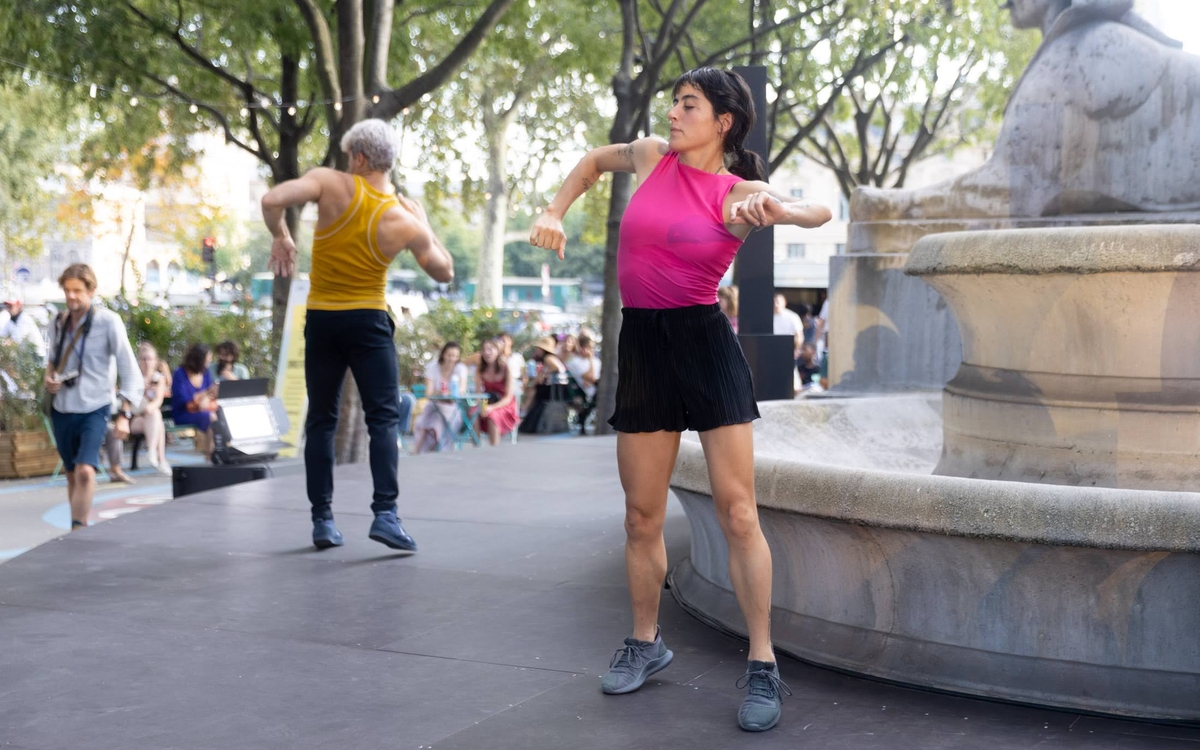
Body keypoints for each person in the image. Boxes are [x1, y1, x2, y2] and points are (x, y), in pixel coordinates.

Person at [529, 67, 831, 731]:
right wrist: (554, 210)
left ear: (722, 121)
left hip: (703, 343)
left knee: (739, 510)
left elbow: (820, 211)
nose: (672, 114)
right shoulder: (649, 157)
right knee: (640, 514)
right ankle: (646, 641)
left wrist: (779, 209)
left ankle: (762, 663)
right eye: (673, 103)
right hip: (644, 344)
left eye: (687, 105)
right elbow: (588, 163)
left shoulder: (737, 192)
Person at [261, 118, 454, 552]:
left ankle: (322, 521)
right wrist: (425, 224)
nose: (347, 164)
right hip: (369, 322)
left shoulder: (329, 184)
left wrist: (281, 235)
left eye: (350, 157)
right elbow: (445, 271)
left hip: (324, 321)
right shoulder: (401, 219)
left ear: (360, 158)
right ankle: (385, 515)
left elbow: (273, 199)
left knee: (321, 421)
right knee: (383, 420)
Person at [43, 264, 144, 530]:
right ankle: (79, 526)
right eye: (67, 291)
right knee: (72, 475)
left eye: (77, 290)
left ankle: (77, 529)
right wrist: (49, 377)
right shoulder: (57, 322)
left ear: (91, 290)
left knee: (86, 471)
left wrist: (124, 415)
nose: (71, 296)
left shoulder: (108, 322)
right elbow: (52, 361)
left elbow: (130, 370)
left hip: (95, 407)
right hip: (62, 408)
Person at [411, 342, 468, 454]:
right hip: (434, 404)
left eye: (455, 356)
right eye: (449, 355)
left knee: (437, 421)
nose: (452, 359)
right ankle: (417, 449)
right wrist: (439, 393)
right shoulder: (433, 367)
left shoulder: (460, 368)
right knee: (425, 418)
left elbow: (461, 390)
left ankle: (434, 449)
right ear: (443, 354)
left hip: (451, 407)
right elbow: (429, 393)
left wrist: (446, 394)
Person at [172, 343, 219, 459]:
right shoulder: (180, 374)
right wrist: (203, 396)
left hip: (203, 410)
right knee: (210, 417)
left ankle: (218, 452)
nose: (210, 360)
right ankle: (210, 455)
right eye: (208, 357)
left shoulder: (206, 372)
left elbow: (210, 392)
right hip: (183, 413)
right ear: (200, 358)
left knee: (219, 415)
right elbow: (182, 399)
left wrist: (206, 397)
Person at [132, 342, 172, 475]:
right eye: (143, 359)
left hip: (150, 418)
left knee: (156, 417)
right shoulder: (133, 378)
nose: (147, 362)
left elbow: (158, 400)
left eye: (149, 359)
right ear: (139, 361)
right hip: (134, 419)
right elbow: (131, 405)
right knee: (157, 419)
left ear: (155, 361)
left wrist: (150, 407)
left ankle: (153, 453)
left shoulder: (159, 378)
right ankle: (160, 459)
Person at [475, 338, 519, 446]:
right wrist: (481, 406)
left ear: (498, 351)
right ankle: (476, 446)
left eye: (490, 349)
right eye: (484, 350)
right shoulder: (480, 369)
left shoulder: (505, 368)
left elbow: (508, 397)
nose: (486, 352)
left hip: (505, 404)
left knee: (492, 415)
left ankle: (494, 448)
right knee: (473, 413)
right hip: (488, 401)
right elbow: (478, 394)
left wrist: (492, 407)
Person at [772, 293, 803, 360]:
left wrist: (796, 349)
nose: (775, 304)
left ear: (784, 302)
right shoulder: (768, 317)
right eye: (773, 302)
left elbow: (799, 335)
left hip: (788, 348)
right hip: (772, 348)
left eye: (778, 302)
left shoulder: (793, 316)